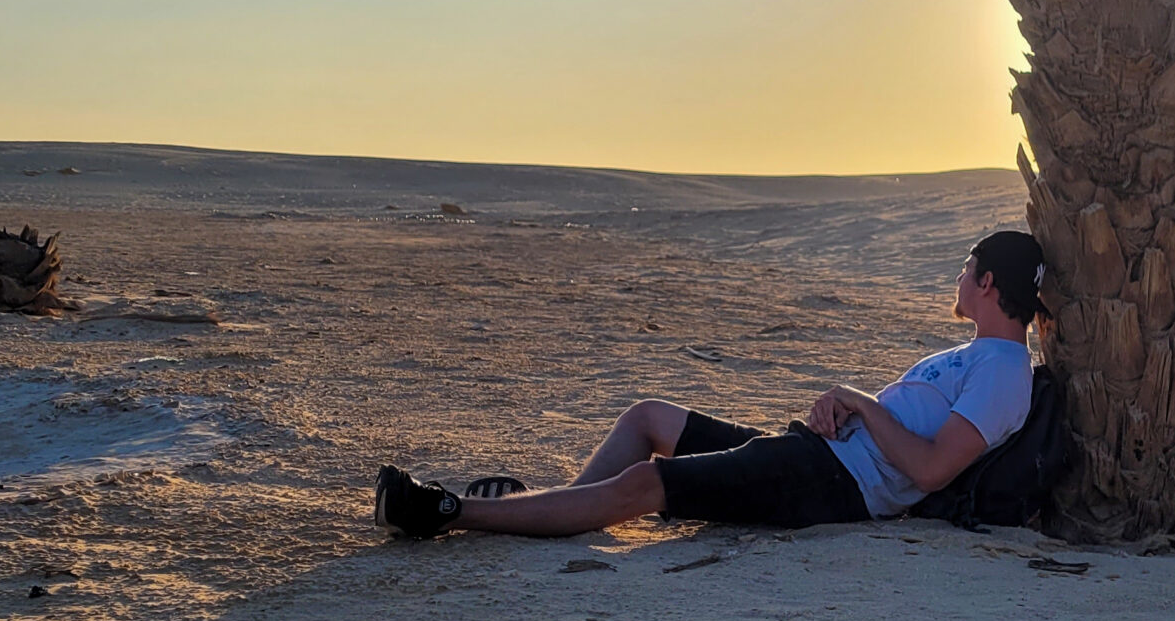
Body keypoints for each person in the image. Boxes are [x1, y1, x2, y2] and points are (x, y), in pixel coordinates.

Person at [372, 230, 1049, 539]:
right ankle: (547, 513)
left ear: (987, 282)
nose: (958, 278)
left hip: (830, 485)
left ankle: (449, 512)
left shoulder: (1003, 374)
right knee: (647, 418)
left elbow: (931, 470)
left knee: (650, 483)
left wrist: (862, 405)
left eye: (966, 267)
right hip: (814, 456)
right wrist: (849, 414)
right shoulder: (976, 356)